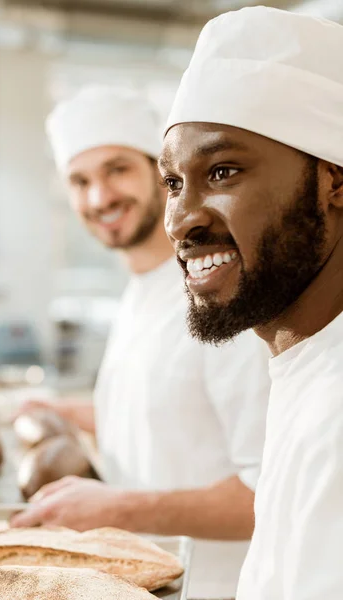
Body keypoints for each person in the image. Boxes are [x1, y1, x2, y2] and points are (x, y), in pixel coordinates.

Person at [11, 85, 270, 599]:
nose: (99, 197)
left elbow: (268, 492)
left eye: (117, 169)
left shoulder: (222, 297)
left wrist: (121, 508)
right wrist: (72, 412)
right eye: (79, 181)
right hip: (144, 581)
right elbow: (168, 414)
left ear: (164, 172)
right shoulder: (138, 292)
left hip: (219, 587)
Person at [159, 6, 343, 599]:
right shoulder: (308, 368)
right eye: (172, 183)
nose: (182, 220)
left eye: (223, 171)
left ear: (333, 180)